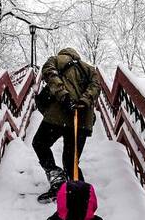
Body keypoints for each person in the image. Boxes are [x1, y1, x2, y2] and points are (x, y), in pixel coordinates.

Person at [34, 47, 99, 203]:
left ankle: (57, 180)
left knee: (40, 143)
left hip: (58, 116)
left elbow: (50, 75)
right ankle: (82, 199)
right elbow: (95, 87)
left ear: (63, 53)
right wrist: (84, 101)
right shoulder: (90, 69)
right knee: (71, 160)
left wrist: (64, 96)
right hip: (82, 119)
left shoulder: (54, 60)